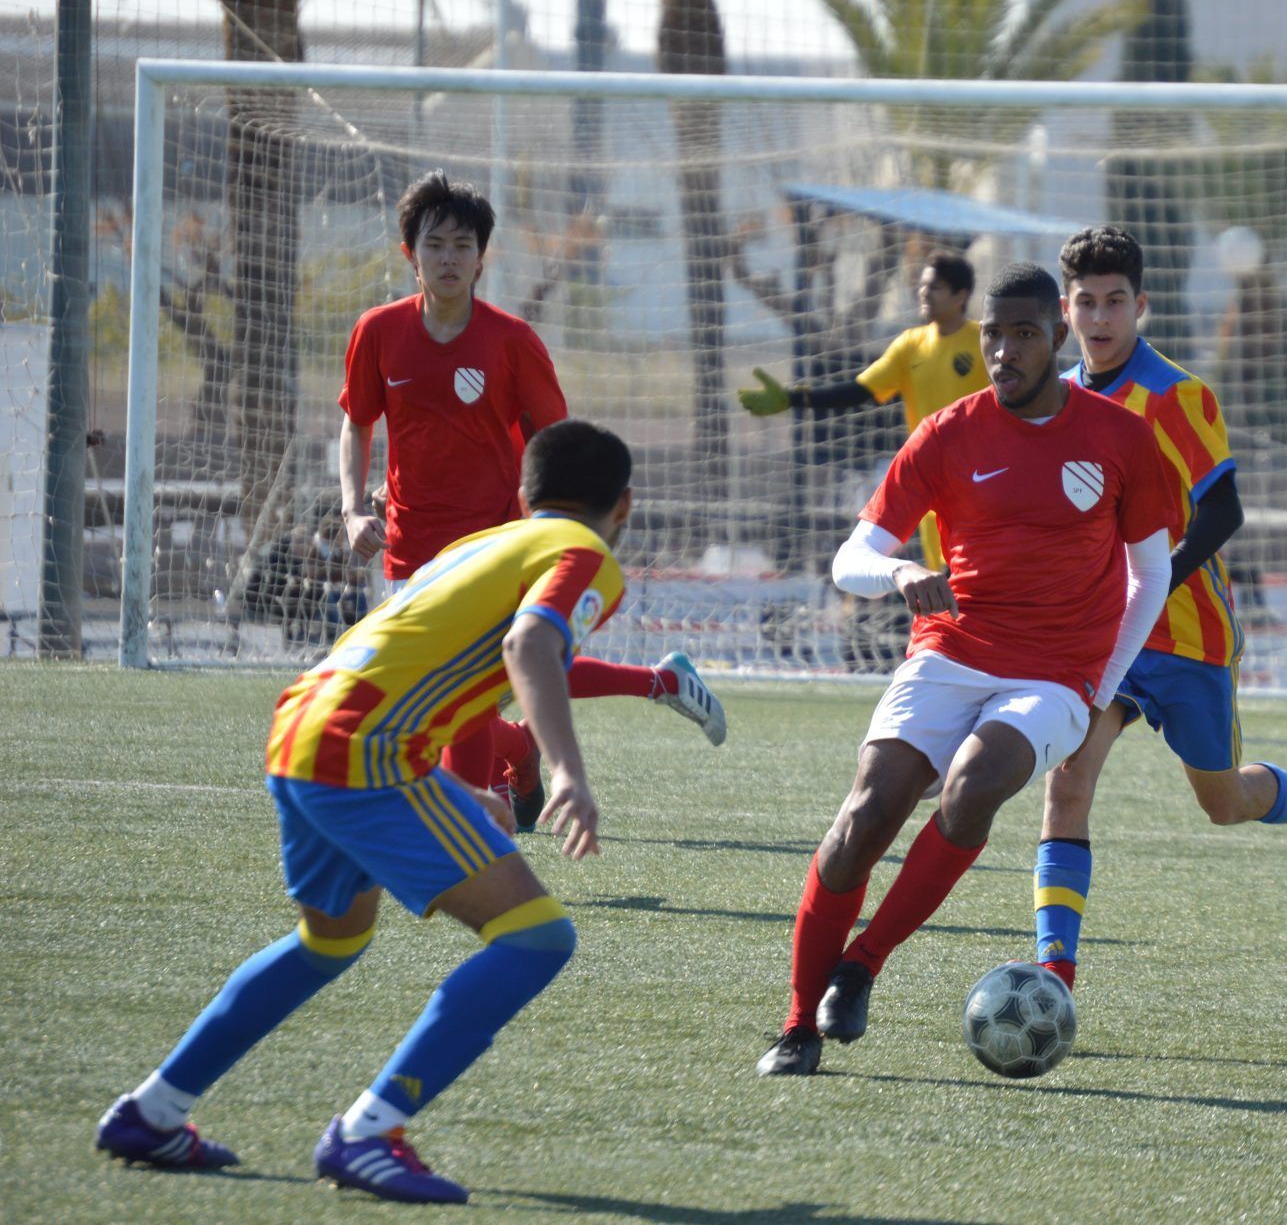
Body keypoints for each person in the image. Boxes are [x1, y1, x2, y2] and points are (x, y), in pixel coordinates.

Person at [95, 420, 636, 1203]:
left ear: (523, 495)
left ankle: (152, 1110)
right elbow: (530, 646)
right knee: (536, 937)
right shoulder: (587, 556)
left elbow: (421, 654)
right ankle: (367, 1132)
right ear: (625, 505)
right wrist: (566, 772)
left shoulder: (478, 545)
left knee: (330, 939)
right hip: (365, 750)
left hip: (303, 725)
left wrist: (454, 790)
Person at [756, 262, 1177, 1077]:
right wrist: (901, 575)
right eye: (994, 335)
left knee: (974, 784)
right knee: (861, 822)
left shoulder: (1120, 437)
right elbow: (853, 558)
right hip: (949, 650)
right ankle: (798, 1025)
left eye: (1024, 334)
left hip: (1056, 675)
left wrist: (1099, 688)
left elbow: (1149, 573)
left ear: (1057, 335)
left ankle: (863, 961)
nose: (1006, 352)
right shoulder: (949, 431)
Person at [338, 171, 724, 832]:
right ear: (411, 255)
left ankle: (471, 838)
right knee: (463, 689)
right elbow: (357, 420)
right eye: (437, 244)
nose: (450, 257)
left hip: (498, 539)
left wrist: (550, 529)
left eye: (464, 245)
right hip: (410, 542)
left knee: (493, 675)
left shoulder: (511, 341)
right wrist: (352, 508)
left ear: (482, 257)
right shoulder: (377, 332)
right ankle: (628, 698)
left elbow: (554, 443)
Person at [1029, 226, 1287, 992]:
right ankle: (1054, 975)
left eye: (1115, 302)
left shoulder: (1177, 395)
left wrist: (1153, 584)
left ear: (1140, 306)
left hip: (1187, 634)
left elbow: (1225, 511)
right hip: (1106, 640)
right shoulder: (1060, 401)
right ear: (1065, 313)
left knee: (1223, 803)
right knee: (1068, 784)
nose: (1100, 318)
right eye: (1085, 304)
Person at [737, 250, 983, 568]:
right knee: (942, 573)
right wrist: (792, 398)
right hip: (930, 481)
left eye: (934, 286)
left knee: (977, 571)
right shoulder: (911, 344)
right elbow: (859, 390)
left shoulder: (983, 341)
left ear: (960, 295)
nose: (923, 292)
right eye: (921, 285)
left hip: (979, 477)